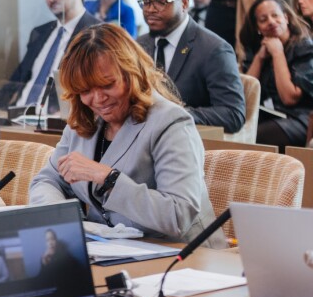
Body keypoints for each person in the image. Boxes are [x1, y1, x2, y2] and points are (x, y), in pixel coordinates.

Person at [29, 24, 223, 247]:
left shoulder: (170, 122)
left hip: (181, 256)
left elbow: (178, 216)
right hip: (112, 252)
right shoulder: (83, 121)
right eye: (85, 91)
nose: (98, 99)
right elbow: (46, 181)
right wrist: (64, 224)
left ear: (132, 73)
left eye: (107, 85)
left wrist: (108, 177)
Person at [136, 0, 245, 134]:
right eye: (146, 2)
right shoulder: (139, 45)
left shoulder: (213, 49)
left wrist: (175, 114)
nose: (150, 9)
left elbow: (233, 114)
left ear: (185, 3)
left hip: (188, 141)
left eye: (161, 1)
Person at [0, 0, 98, 112]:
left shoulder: (96, 34)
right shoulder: (40, 33)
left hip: (59, 126)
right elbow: (15, 81)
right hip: (17, 118)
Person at [239, 0, 313, 150]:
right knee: (234, 128)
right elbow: (245, 95)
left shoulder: (304, 47)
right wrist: (260, 57)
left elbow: (289, 98)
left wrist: (278, 53)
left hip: (299, 119)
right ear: (258, 27)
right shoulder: (257, 50)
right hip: (270, 115)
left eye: (275, 16)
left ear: (286, 18)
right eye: (263, 19)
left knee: (252, 137)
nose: (271, 22)